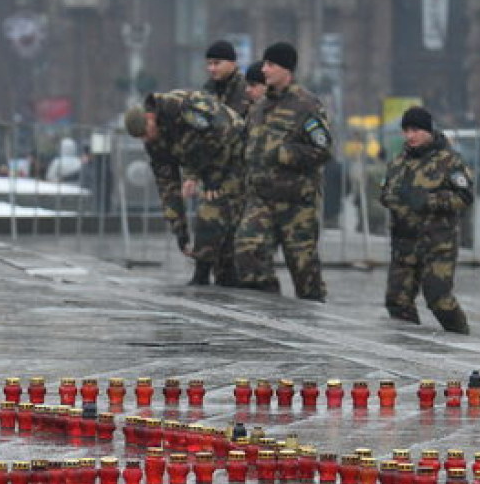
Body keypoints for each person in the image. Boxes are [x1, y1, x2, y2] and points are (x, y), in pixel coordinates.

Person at [233, 42, 332, 301]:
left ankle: (315, 321)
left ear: (286, 69)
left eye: (270, 65)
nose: (264, 69)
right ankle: (271, 305)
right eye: (264, 64)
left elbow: (323, 149)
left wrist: (285, 153)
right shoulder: (259, 107)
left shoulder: (306, 105)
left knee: (304, 271)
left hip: (296, 202)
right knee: (247, 250)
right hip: (261, 200)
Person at [124, 89, 245, 286]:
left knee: (213, 209)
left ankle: (205, 273)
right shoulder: (153, 142)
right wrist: (179, 229)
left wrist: (213, 176)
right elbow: (167, 186)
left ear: (150, 117)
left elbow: (219, 132)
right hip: (205, 163)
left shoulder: (182, 108)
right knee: (216, 214)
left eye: (146, 133)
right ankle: (222, 275)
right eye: (141, 138)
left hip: (236, 152)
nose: (147, 139)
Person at [379, 105, 473, 333]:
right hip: (404, 243)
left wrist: (430, 200)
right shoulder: (399, 162)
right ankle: (409, 343)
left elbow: (465, 196)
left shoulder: (449, 161)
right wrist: (396, 199)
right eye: (406, 131)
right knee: (397, 300)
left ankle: (461, 336)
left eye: (416, 130)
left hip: (437, 243)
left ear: (429, 131)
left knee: (438, 299)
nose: (410, 136)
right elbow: (384, 193)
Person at [202, 40, 251, 117]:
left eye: (217, 63)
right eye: (209, 63)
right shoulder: (208, 88)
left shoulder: (246, 88)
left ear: (232, 63)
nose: (211, 68)